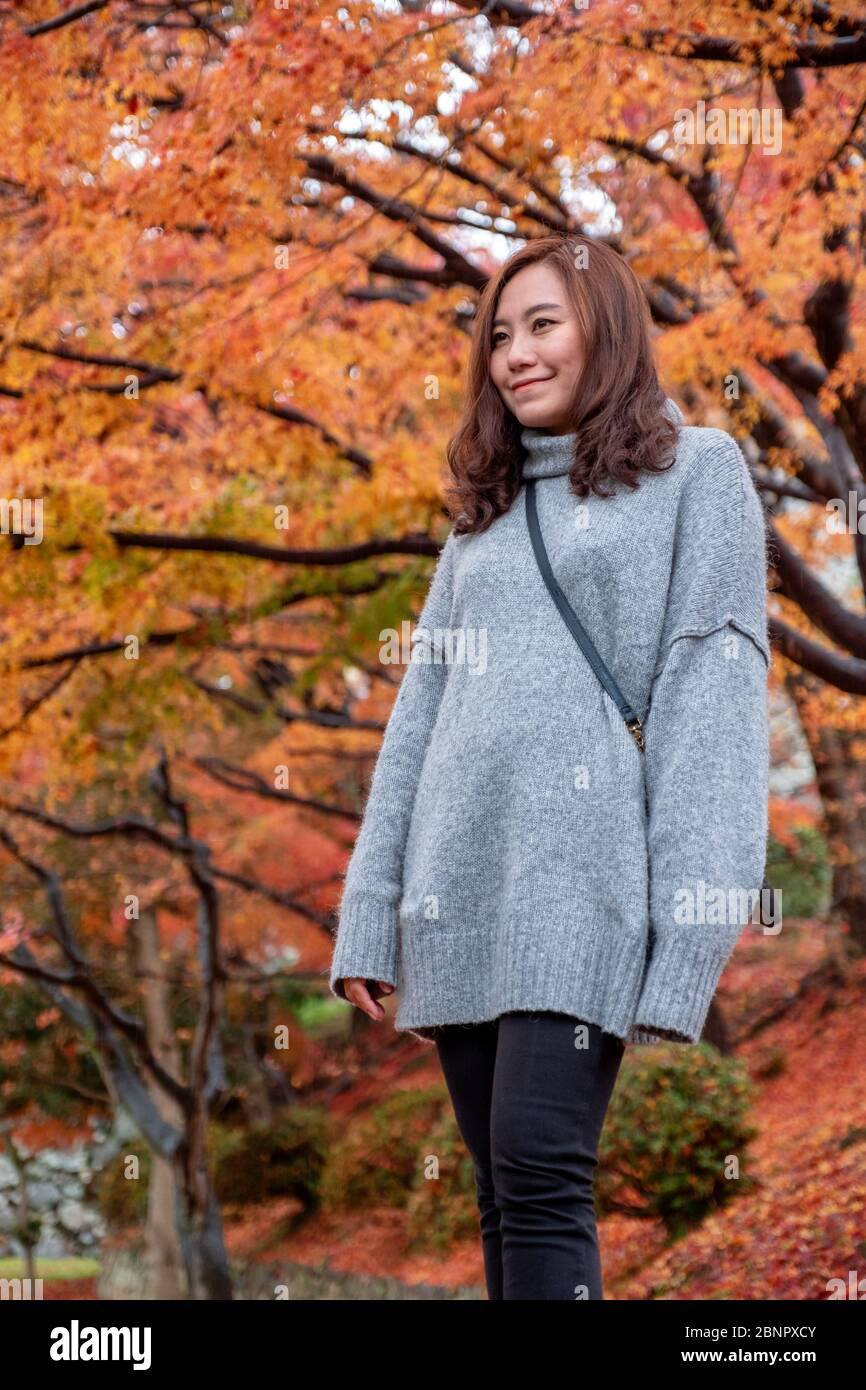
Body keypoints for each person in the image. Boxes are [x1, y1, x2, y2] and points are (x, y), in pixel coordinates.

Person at [327, 233, 771, 1300]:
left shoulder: (694, 469)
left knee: (537, 1164)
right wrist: (368, 905)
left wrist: (690, 925)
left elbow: (710, 699)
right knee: (498, 1185)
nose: (513, 354)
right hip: (456, 878)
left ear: (604, 330)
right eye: (496, 335)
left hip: (581, 876)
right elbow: (417, 713)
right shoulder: (480, 517)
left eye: (541, 325)